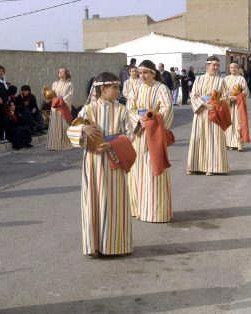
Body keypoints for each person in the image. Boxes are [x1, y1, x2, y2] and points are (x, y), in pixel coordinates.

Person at [67, 72, 133, 256]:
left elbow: (131, 134)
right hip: (93, 162)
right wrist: (83, 129)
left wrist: (113, 144)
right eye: (115, 87)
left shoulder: (122, 110)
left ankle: (116, 245)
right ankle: (94, 246)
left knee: (114, 202)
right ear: (103, 89)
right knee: (93, 201)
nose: (118, 91)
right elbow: (71, 130)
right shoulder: (88, 110)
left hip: (114, 161)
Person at [127, 60, 174, 223]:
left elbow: (167, 109)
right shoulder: (136, 88)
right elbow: (129, 109)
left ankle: (155, 211)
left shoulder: (161, 88)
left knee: (153, 170)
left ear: (153, 73)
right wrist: (138, 120)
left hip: (154, 135)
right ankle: (138, 208)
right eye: (140, 73)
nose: (142, 76)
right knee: (137, 171)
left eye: (145, 72)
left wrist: (153, 120)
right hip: (139, 135)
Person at [187, 55, 229, 175]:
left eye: (217, 65)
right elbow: (193, 95)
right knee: (198, 138)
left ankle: (212, 167)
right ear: (207, 65)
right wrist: (205, 105)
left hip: (214, 114)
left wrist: (217, 103)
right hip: (201, 113)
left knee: (213, 139)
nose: (215, 67)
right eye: (213, 65)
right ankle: (195, 166)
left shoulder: (221, 81)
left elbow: (225, 97)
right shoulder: (199, 79)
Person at [225, 63, 250, 151]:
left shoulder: (241, 79)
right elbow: (222, 91)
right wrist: (227, 97)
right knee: (228, 124)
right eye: (231, 67)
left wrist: (236, 97)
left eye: (235, 67)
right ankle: (228, 143)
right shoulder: (226, 79)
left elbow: (245, 92)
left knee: (238, 124)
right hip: (228, 105)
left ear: (238, 69)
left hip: (237, 105)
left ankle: (238, 144)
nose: (233, 69)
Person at [47, 67, 74, 151]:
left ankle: (64, 144)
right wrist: (51, 98)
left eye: (62, 72)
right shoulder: (54, 84)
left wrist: (61, 100)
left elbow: (70, 95)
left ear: (66, 73)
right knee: (55, 126)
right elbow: (52, 94)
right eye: (59, 72)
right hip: (55, 108)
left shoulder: (69, 84)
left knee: (64, 126)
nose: (60, 73)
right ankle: (54, 145)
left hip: (64, 107)